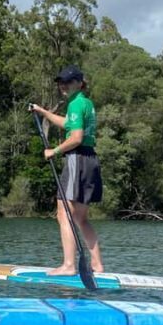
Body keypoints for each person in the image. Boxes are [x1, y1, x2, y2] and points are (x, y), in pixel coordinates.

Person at [30, 65, 104, 275]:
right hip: (90, 159)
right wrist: (43, 112)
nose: (64, 86)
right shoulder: (85, 103)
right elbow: (69, 125)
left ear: (80, 83)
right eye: (61, 82)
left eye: (69, 82)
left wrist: (54, 151)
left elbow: (76, 137)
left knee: (63, 214)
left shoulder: (75, 104)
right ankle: (97, 265)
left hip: (77, 160)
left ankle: (69, 265)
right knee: (80, 218)